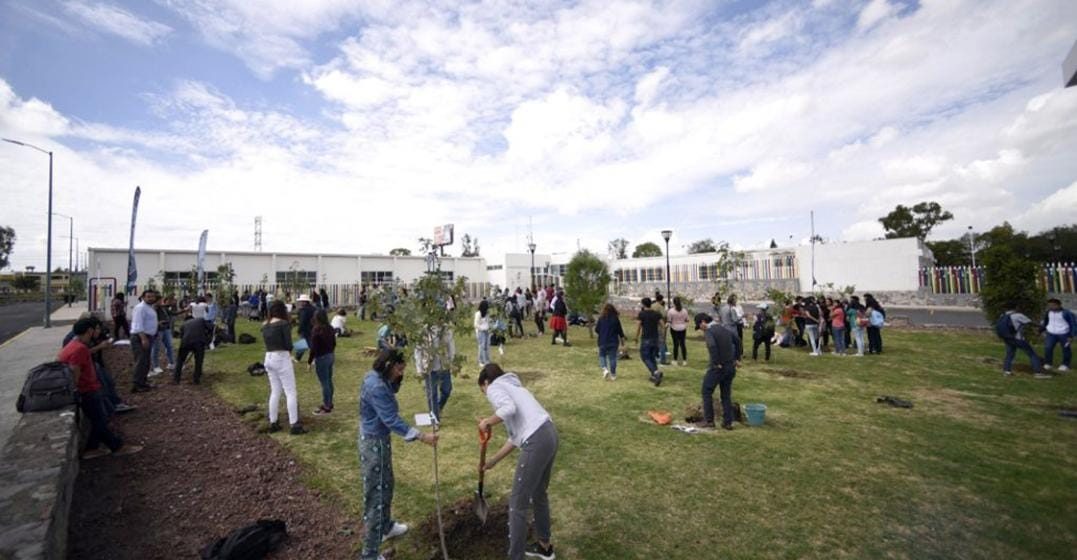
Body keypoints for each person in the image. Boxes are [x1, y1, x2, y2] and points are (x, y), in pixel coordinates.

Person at [359, 349, 438, 560]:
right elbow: (391, 419)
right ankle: (369, 554)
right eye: (400, 369)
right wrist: (422, 436)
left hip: (379, 441)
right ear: (389, 366)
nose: (401, 373)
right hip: (374, 444)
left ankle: (386, 527)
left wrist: (397, 378)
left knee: (386, 485)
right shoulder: (375, 385)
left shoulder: (377, 378)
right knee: (376, 495)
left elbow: (391, 394)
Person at [477, 363, 559, 560]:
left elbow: (508, 408)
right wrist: (492, 461)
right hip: (550, 434)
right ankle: (544, 547)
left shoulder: (495, 387)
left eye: (483, 391)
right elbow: (515, 437)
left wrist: (487, 421)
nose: (487, 396)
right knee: (539, 494)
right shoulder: (515, 387)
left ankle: (516, 556)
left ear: (485, 382)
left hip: (537, 440)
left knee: (517, 503)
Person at [59, 318, 143, 459]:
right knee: (101, 420)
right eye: (97, 329)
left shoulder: (74, 345)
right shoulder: (79, 349)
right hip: (87, 390)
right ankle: (117, 446)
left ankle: (92, 448)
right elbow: (75, 373)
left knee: (99, 419)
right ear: (90, 331)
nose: (99, 332)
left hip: (90, 388)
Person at [262, 301, 306, 434]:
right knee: (290, 391)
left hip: (268, 357)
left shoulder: (265, 325)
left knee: (275, 391)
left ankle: (273, 421)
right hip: (281, 357)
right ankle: (294, 424)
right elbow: (288, 345)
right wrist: (299, 346)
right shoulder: (283, 324)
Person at [695, 313, 741, 430]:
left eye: (699, 326)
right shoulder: (723, 328)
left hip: (718, 368)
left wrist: (716, 362)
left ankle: (709, 420)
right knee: (726, 395)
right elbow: (737, 341)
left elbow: (712, 346)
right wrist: (737, 358)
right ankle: (728, 422)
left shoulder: (709, 331)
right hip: (730, 366)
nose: (700, 329)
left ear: (703, 322)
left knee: (706, 390)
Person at [414, 325, 455, 418]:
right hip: (429, 367)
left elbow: (451, 346)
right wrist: (419, 368)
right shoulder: (424, 331)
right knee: (432, 394)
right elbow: (418, 350)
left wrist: (452, 361)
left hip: (444, 365)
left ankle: (439, 407)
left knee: (447, 390)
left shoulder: (446, 329)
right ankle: (434, 418)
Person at [996, 307, 1046, 378]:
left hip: (1008, 338)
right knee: (1032, 354)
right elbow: (1030, 323)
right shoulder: (1019, 315)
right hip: (1017, 338)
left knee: (1009, 355)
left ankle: (1007, 372)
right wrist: (1042, 326)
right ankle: (1038, 373)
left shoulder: (1004, 315)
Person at [129, 289, 160, 392]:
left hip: (148, 337)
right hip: (140, 337)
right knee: (141, 360)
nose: (151, 298)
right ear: (143, 297)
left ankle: (143, 381)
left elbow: (148, 322)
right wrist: (143, 338)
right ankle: (137, 384)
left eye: (153, 296)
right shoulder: (140, 308)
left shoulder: (149, 307)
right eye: (148, 296)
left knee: (146, 361)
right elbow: (137, 324)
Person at [308, 309, 336, 415]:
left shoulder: (316, 330)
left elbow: (314, 348)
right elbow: (334, 343)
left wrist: (310, 361)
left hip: (321, 358)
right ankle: (329, 402)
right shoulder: (330, 328)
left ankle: (326, 406)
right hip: (330, 355)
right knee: (329, 380)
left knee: (324, 382)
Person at [635, 297, 665, 386]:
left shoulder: (642, 314)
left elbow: (639, 326)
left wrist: (636, 337)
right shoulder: (656, 314)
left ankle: (655, 372)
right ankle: (654, 375)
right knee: (652, 357)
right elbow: (663, 325)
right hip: (655, 338)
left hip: (646, 338)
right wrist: (662, 337)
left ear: (643, 305)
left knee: (645, 357)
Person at [1041, 298, 1075, 372]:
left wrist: (1071, 335)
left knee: (1066, 349)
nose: (1051, 307)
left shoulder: (1067, 313)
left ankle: (1065, 364)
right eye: (1049, 305)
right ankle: (1048, 363)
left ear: (1059, 305)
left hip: (1064, 334)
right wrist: (1041, 330)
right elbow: (1046, 322)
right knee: (1048, 348)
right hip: (1051, 333)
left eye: (1053, 305)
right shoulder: (1048, 312)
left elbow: (1073, 324)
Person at [595, 303, 626, 380]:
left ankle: (605, 369)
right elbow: (620, 331)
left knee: (602, 356)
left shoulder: (601, 318)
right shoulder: (615, 319)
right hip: (613, 341)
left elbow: (597, 329)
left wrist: (602, 333)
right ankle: (613, 374)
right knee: (612, 358)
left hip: (603, 341)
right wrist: (622, 341)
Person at [175, 316, 209, 384]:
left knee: (180, 360)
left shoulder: (183, 325)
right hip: (199, 342)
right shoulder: (201, 320)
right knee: (198, 361)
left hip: (185, 342)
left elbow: (181, 336)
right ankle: (196, 379)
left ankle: (176, 379)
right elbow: (211, 328)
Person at [150, 295, 176, 376]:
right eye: (160, 300)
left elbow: (172, 313)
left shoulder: (163, 308)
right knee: (156, 348)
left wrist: (184, 310)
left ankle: (172, 363)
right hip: (158, 330)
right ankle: (155, 366)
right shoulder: (154, 307)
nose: (162, 302)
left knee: (169, 346)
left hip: (166, 329)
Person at [668, 297, 690, 366]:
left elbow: (669, 321)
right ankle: (684, 360)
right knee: (683, 344)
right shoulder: (684, 311)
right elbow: (687, 320)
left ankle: (675, 360)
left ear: (674, 303)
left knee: (676, 344)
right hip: (683, 328)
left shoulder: (671, 311)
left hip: (674, 328)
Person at [295, 294, 315, 361]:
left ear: (304, 302)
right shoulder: (313, 308)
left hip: (305, 330)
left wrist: (299, 330)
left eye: (301, 301)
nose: (300, 302)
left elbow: (302, 321)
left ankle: (298, 358)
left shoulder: (303, 310)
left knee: (302, 344)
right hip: (313, 328)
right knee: (311, 344)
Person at [652, 294, 669, 365]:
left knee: (653, 343)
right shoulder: (660, 307)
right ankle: (663, 360)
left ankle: (653, 358)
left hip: (651, 327)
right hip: (659, 326)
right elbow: (664, 315)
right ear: (661, 300)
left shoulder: (652, 306)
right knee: (661, 343)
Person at [475, 300, 492, 366]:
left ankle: (487, 360)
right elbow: (476, 324)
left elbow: (488, 321)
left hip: (487, 331)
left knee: (487, 346)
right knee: (482, 346)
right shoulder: (478, 314)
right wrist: (482, 328)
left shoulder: (487, 313)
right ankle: (481, 361)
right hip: (481, 332)